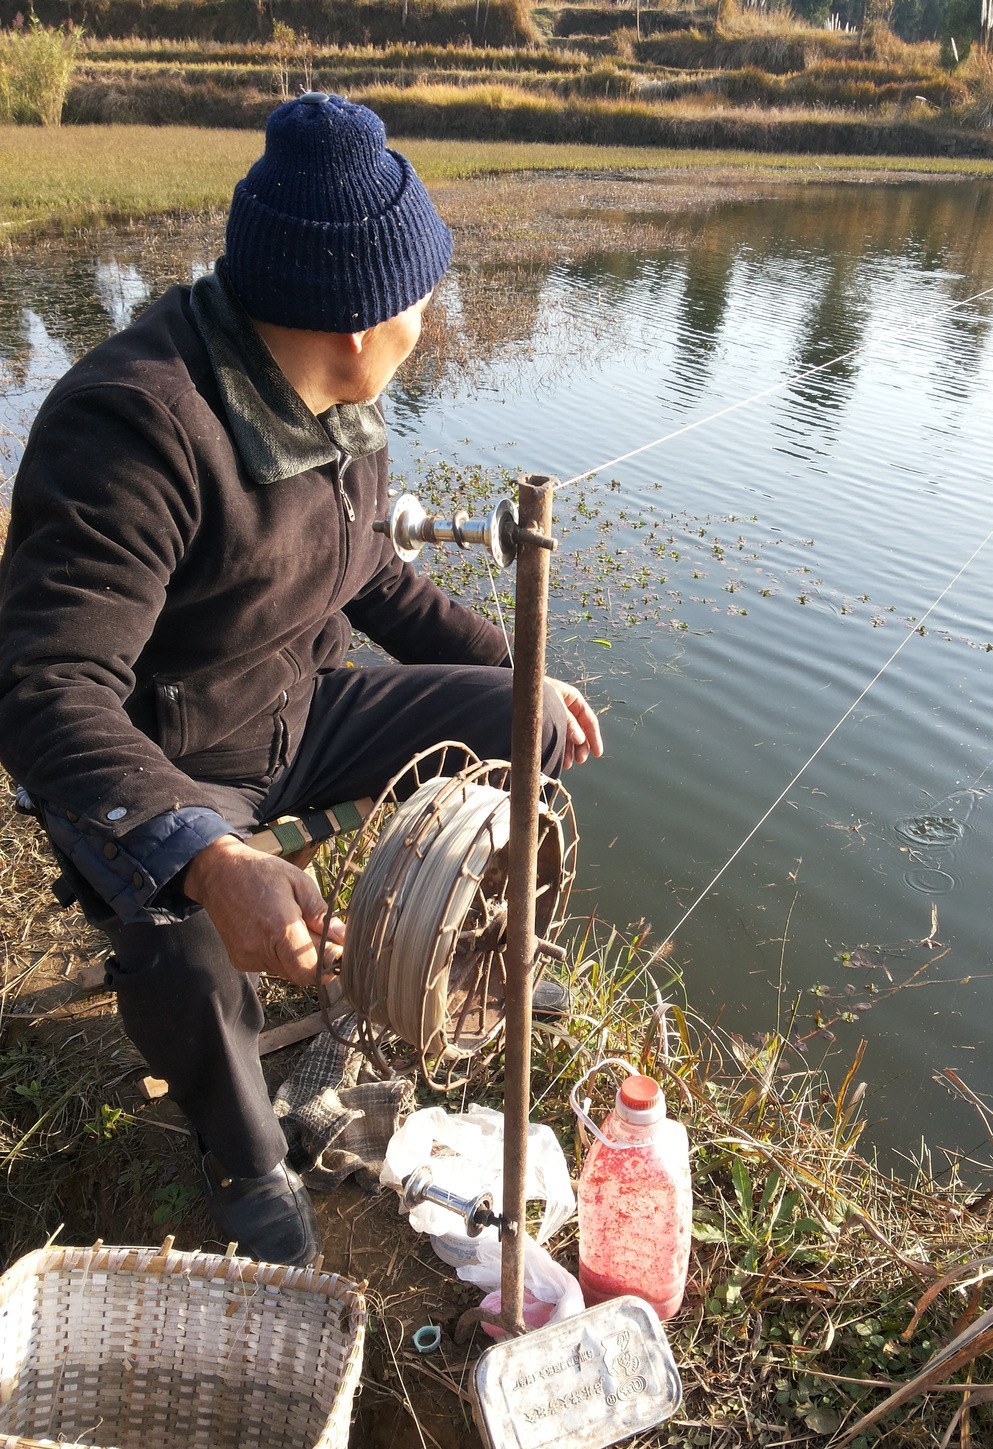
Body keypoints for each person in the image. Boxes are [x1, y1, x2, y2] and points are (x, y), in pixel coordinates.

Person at [0, 92, 602, 1266]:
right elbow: (43, 689)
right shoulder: (134, 426)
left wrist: (515, 669)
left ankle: (469, 955)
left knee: (518, 722)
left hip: (298, 711)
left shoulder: (337, 398)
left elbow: (372, 577)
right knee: (178, 937)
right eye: (422, 295)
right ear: (363, 321)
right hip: (169, 767)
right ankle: (243, 1156)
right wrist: (210, 855)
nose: (430, 313)